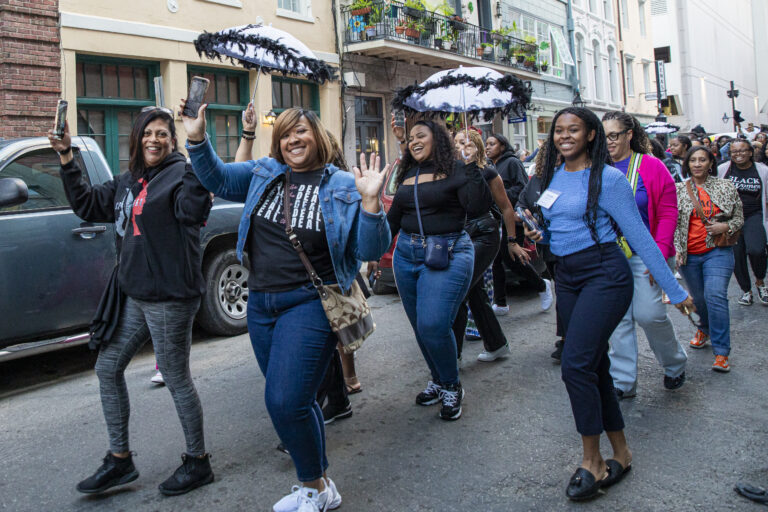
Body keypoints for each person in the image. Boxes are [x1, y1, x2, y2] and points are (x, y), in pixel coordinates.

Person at [183, 104, 391, 512]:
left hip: (310, 303)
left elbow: (371, 249)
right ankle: (321, 484)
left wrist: (370, 204)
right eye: (284, 135)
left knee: (284, 400)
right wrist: (196, 139)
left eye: (300, 132)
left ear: (317, 136)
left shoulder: (342, 185)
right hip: (261, 304)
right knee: (298, 401)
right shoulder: (264, 172)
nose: (292, 140)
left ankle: (312, 486)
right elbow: (218, 178)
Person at [524, 107, 693, 501]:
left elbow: (640, 237)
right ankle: (621, 451)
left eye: (573, 130)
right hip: (566, 275)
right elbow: (556, 229)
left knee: (574, 364)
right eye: (558, 130)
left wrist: (677, 291)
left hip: (604, 273)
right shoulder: (551, 176)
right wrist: (538, 231)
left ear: (592, 135)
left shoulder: (609, 178)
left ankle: (592, 461)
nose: (564, 136)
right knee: (594, 365)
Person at [49, 108, 215, 496]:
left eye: (162, 134)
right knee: (108, 368)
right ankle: (120, 460)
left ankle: (198, 461)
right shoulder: (128, 180)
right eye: (147, 134)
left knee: (175, 377)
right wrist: (66, 157)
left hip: (171, 296)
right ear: (137, 139)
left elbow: (192, 212)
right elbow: (89, 206)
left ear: (172, 140)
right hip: (136, 294)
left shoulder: (181, 174)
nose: (154, 140)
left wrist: (196, 154)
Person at [388, 119, 492, 421]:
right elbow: (395, 217)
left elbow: (477, 206)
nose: (414, 141)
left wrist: (471, 165)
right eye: (410, 138)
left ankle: (451, 385)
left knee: (433, 323)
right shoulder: (408, 172)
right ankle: (438, 377)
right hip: (406, 255)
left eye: (421, 135)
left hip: (448, 251)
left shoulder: (458, 168)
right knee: (422, 326)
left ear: (439, 140)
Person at [601, 111, 687, 399]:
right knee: (618, 319)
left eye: (614, 135)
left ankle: (675, 364)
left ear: (629, 135)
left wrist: (658, 256)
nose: (609, 141)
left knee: (649, 314)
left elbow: (667, 212)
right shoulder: (595, 168)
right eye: (604, 136)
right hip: (611, 257)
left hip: (648, 253)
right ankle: (623, 382)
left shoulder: (651, 166)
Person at [452, 129, 531, 363]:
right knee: (474, 292)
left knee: (458, 289)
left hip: (484, 235)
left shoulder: (487, 172)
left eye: (466, 143)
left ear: (476, 146)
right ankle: (496, 344)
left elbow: (506, 208)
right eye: (456, 142)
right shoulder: (450, 172)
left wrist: (512, 241)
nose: (460, 147)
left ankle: (451, 357)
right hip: (461, 235)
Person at [675, 146, 743, 372]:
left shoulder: (725, 186)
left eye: (701, 160)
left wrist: (726, 225)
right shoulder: (678, 190)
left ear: (710, 163)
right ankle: (703, 327)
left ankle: (722, 352)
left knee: (715, 297)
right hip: (689, 255)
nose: (697, 164)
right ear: (687, 164)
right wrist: (672, 250)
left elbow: (739, 217)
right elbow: (670, 221)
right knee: (699, 300)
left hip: (718, 250)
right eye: (692, 160)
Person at [485, 133, 553, 315]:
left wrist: (500, 192)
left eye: (492, 143)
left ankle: (541, 284)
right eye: (487, 144)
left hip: (513, 216)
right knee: (497, 261)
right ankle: (500, 303)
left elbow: (523, 187)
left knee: (511, 257)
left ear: (502, 145)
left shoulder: (512, 162)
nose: (488, 147)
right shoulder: (491, 165)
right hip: (497, 218)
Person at [516, 141, 566, 361]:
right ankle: (566, 337)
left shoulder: (571, 177)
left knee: (566, 292)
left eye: (559, 155)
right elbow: (521, 203)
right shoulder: (537, 180)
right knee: (562, 290)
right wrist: (527, 218)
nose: (555, 158)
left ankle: (568, 339)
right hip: (547, 247)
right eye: (550, 155)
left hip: (571, 245)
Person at [716, 138, 768, 305]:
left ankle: (760, 282)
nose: (738, 154)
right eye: (734, 152)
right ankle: (746, 291)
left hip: (755, 215)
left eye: (742, 150)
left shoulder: (762, 170)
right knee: (737, 256)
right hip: (731, 219)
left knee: (757, 250)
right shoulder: (723, 170)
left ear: (751, 152)